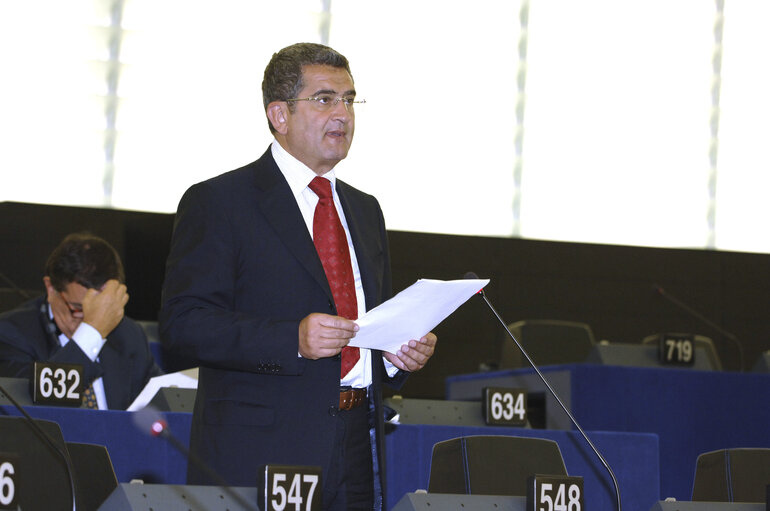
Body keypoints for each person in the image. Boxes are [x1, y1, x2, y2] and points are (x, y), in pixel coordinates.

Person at [160, 42, 437, 510]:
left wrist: (395, 353)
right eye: (325, 99)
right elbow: (184, 326)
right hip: (262, 451)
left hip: (358, 445)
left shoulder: (365, 210)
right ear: (279, 114)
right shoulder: (221, 201)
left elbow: (368, 323)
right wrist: (293, 339)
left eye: (350, 100)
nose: (343, 115)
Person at [0, 232, 162, 410]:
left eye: (102, 308)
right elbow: (35, 405)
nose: (93, 318)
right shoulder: (11, 334)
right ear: (51, 288)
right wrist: (92, 333)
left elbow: (159, 402)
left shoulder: (130, 335)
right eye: (78, 308)